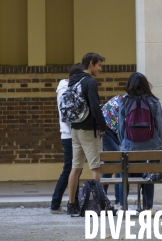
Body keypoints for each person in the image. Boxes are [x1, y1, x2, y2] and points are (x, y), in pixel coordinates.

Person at [118, 72, 162, 215]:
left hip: (129, 146)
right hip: (151, 145)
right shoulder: (153, 101)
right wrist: (158, 143)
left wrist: (124, 142)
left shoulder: (125, 101)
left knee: (123, 173)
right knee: (148, 172)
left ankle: (122, 205)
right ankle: (148, 207)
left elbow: (120, 127)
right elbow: (159, 126)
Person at [66, 52, 107, 215]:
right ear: (91, 63)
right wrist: (102, 125)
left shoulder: (73, 80)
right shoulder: (90, 82)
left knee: (75, 168)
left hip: (74, 129)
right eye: (99, 65)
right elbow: (95, 106)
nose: (100, 69)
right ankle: (95, 204)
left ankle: (71, 204)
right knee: (96, 168)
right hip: (88, 130)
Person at [50, 63, 83, 214]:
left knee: (74, 170)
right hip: (70, 135)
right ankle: (56, 203)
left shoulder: (64, 90)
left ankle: (72, 202)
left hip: (68, 135)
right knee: (70, 170)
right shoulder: (67, 91)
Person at [101, 94, 125, 207]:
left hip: (108, 129)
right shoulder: (129, 102)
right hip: (107, 130)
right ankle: (119, 200)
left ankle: (102, 197)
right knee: (119, 164)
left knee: (109, 165)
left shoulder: (124, 98)